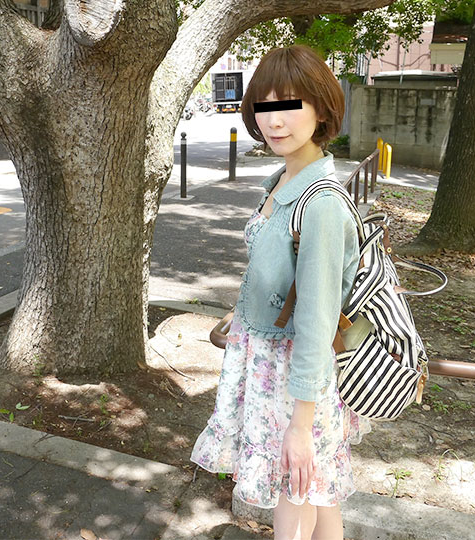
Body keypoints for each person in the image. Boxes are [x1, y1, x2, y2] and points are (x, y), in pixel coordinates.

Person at [190, 45, 371, 540]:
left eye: (290, 105)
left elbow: (316, 320)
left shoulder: (322, 203)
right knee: (319, 495)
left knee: (297, 493)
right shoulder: (284, 181)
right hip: (272, 365)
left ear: (322, 110)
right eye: (265, 107)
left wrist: (300, 426)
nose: (275, 120)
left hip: (295, 381)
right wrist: (245, 309)